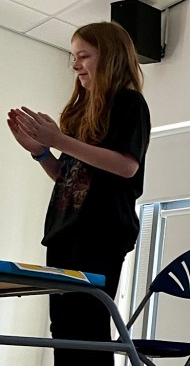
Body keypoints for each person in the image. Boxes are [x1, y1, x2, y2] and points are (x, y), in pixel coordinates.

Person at [6, 21, 151, 366]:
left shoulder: (129, 103)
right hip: (64, 232)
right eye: (74, 57)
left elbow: (126, 166)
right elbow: (68, 177)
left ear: (110, 57)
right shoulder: (83, 111)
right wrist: (42, 152)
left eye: (83, 56)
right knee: (64, 331)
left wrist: (59, 140)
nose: (75, 65)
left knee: (88, 329)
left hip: (101, 232)